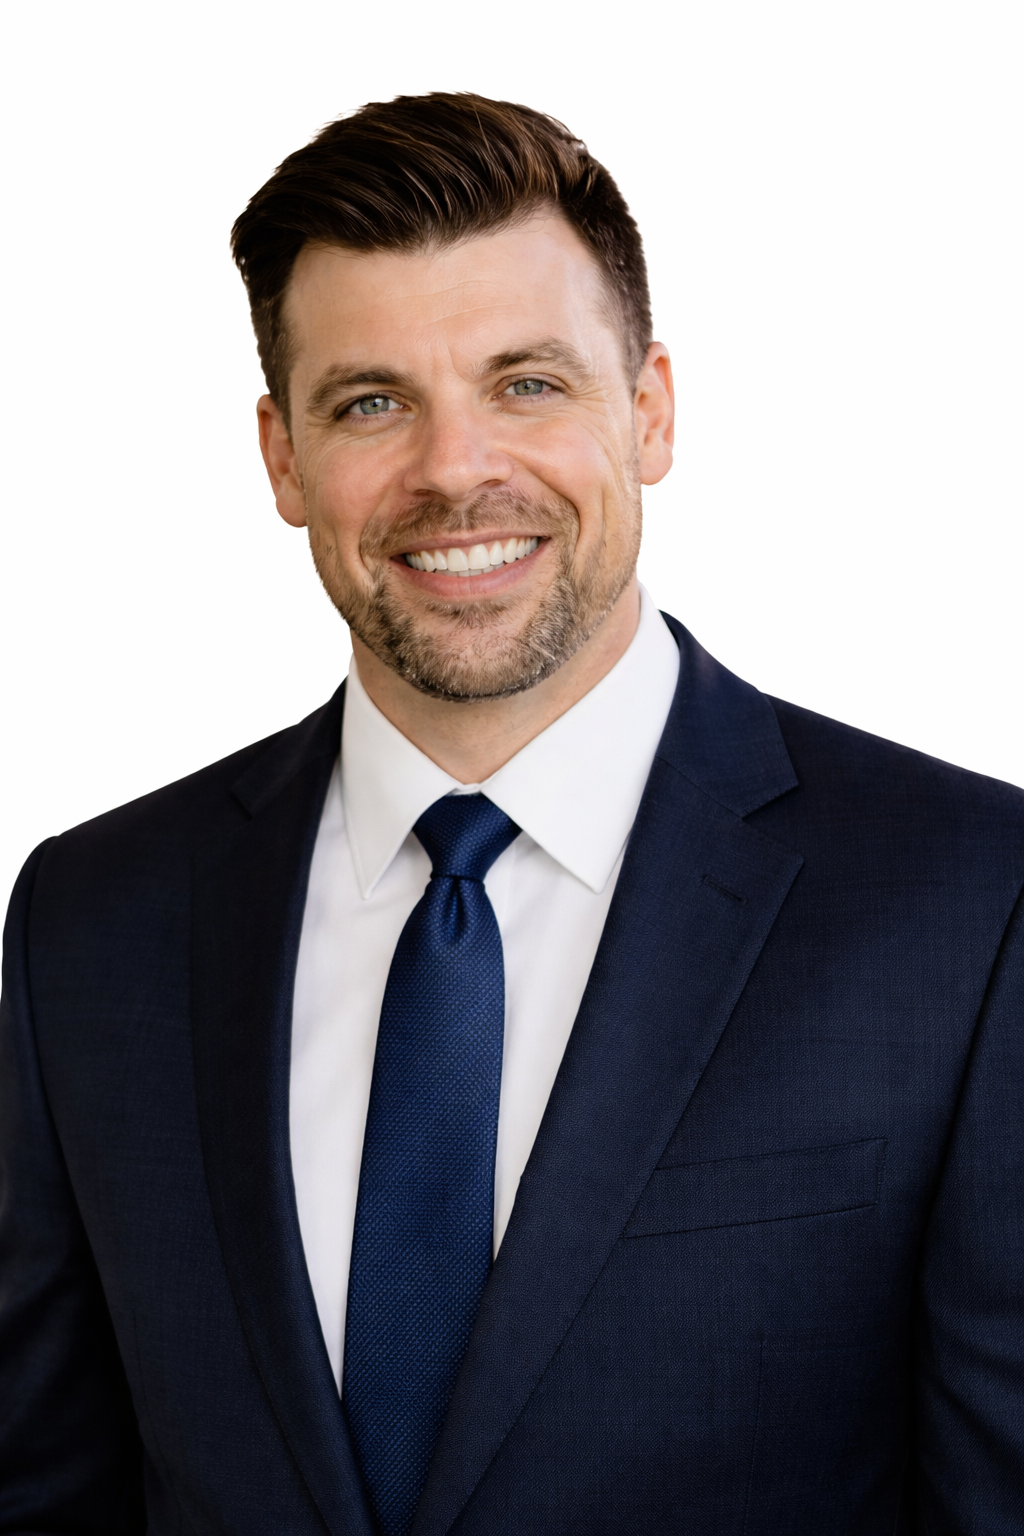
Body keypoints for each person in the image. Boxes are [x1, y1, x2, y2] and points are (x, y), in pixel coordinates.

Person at [0, 90, 1021, 1536]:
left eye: (527, 383)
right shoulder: (89, 922)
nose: (454, 470)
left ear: (651, 411)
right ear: (282, 459)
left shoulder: (967, 903)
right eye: (370, 403)